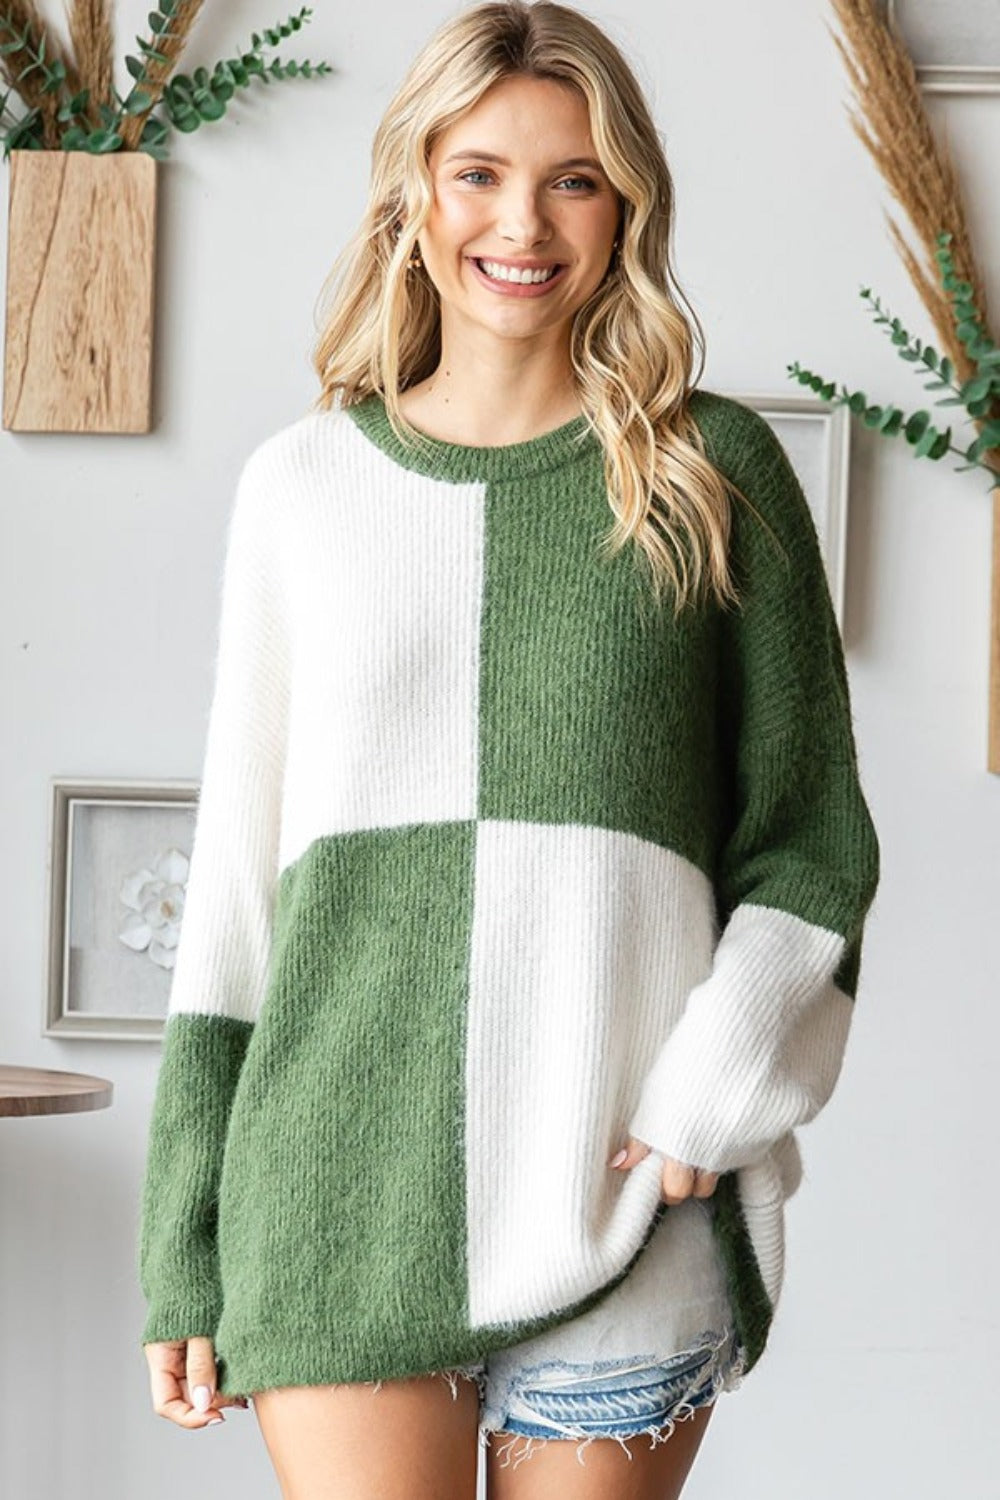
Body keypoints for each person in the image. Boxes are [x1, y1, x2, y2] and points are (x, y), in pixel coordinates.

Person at [137, 3, 881, 1496]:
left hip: (623, 1191)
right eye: (477, 173)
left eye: (574, 180)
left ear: (626, 208)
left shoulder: (713, 475)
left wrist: (707, 1099)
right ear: (414, 191)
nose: (521, 223)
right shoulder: (302, 489)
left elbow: (810, 837)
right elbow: (233, 892)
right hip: (338, 1183)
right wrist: (182, 1241)